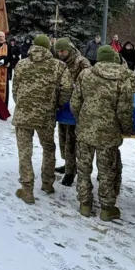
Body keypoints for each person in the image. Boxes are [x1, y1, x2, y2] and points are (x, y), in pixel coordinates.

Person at [73, 46, 135, 220]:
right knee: (107, 171)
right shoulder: (123, 78)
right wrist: (126, 129)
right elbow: (124, 110)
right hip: (109, 133)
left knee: (83, 169)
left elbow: (75, 102)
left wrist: (82, 119)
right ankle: (107, 208)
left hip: (85, 130)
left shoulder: (85, 75)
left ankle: (85, 204)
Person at [12, 35, 71, 204]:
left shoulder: (22, 64)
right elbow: (67, 88)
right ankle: (47, 183)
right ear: (48, 48)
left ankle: (27, 189)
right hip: (46, 115)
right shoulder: (59, 66)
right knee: (48, 148)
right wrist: (56, 104)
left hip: (23, 114)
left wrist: (22, 104)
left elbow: (15, 89)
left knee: (25, 152)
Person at [54, 38, 91, 186]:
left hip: (76, 107)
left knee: (72, 139)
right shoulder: (58, 61)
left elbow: (88, 82)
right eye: (58, 51)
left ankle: (71, 171)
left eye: (62, 51)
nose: (60, 53)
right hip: (63, 105)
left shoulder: (81, 62)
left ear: (69, 50)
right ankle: (67, 163)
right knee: (63, 137)